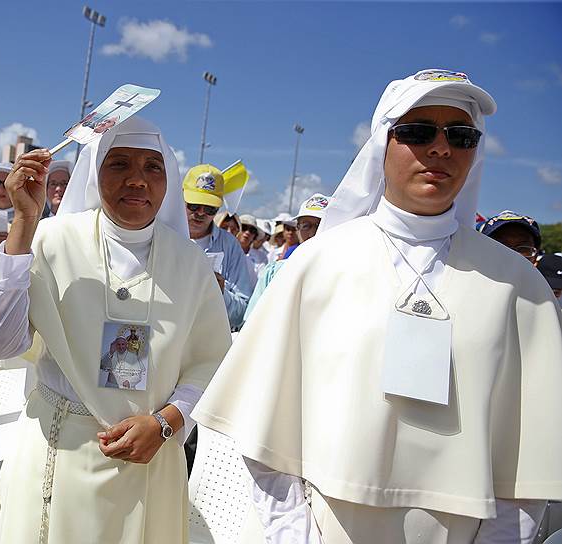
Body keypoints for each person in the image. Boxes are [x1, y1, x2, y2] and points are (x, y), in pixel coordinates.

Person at [194, 69, 562, 543]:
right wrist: (297, 536)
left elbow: (526, 470)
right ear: (381, 144)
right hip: (328, 526)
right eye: (417, 131)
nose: (441, 148)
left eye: (461, 135)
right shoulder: (317, 264)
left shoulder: (518, 286)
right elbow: (267, 442)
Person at [0, 116, 230, 544]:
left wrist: (165, 423)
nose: (137, 180)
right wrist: (23, 222)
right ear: (95, 172)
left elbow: (212, 365)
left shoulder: (191, 264)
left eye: (152, 167)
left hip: (150, 455)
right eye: (119, 164)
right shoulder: (49, 239)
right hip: (57, 450)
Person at [184, 164, 254, 330]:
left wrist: (219, 293)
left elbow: (242, 313)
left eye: (209, 209)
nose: (200, 213)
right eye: (193, 205)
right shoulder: (161, 234)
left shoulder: (231, 246)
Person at [243, 193, 332, 322]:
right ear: (298, 229)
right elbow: (252, 320)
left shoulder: (342, 273)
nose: (313, 232)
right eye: (306, 226)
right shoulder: (273, 272)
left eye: (319, 225)